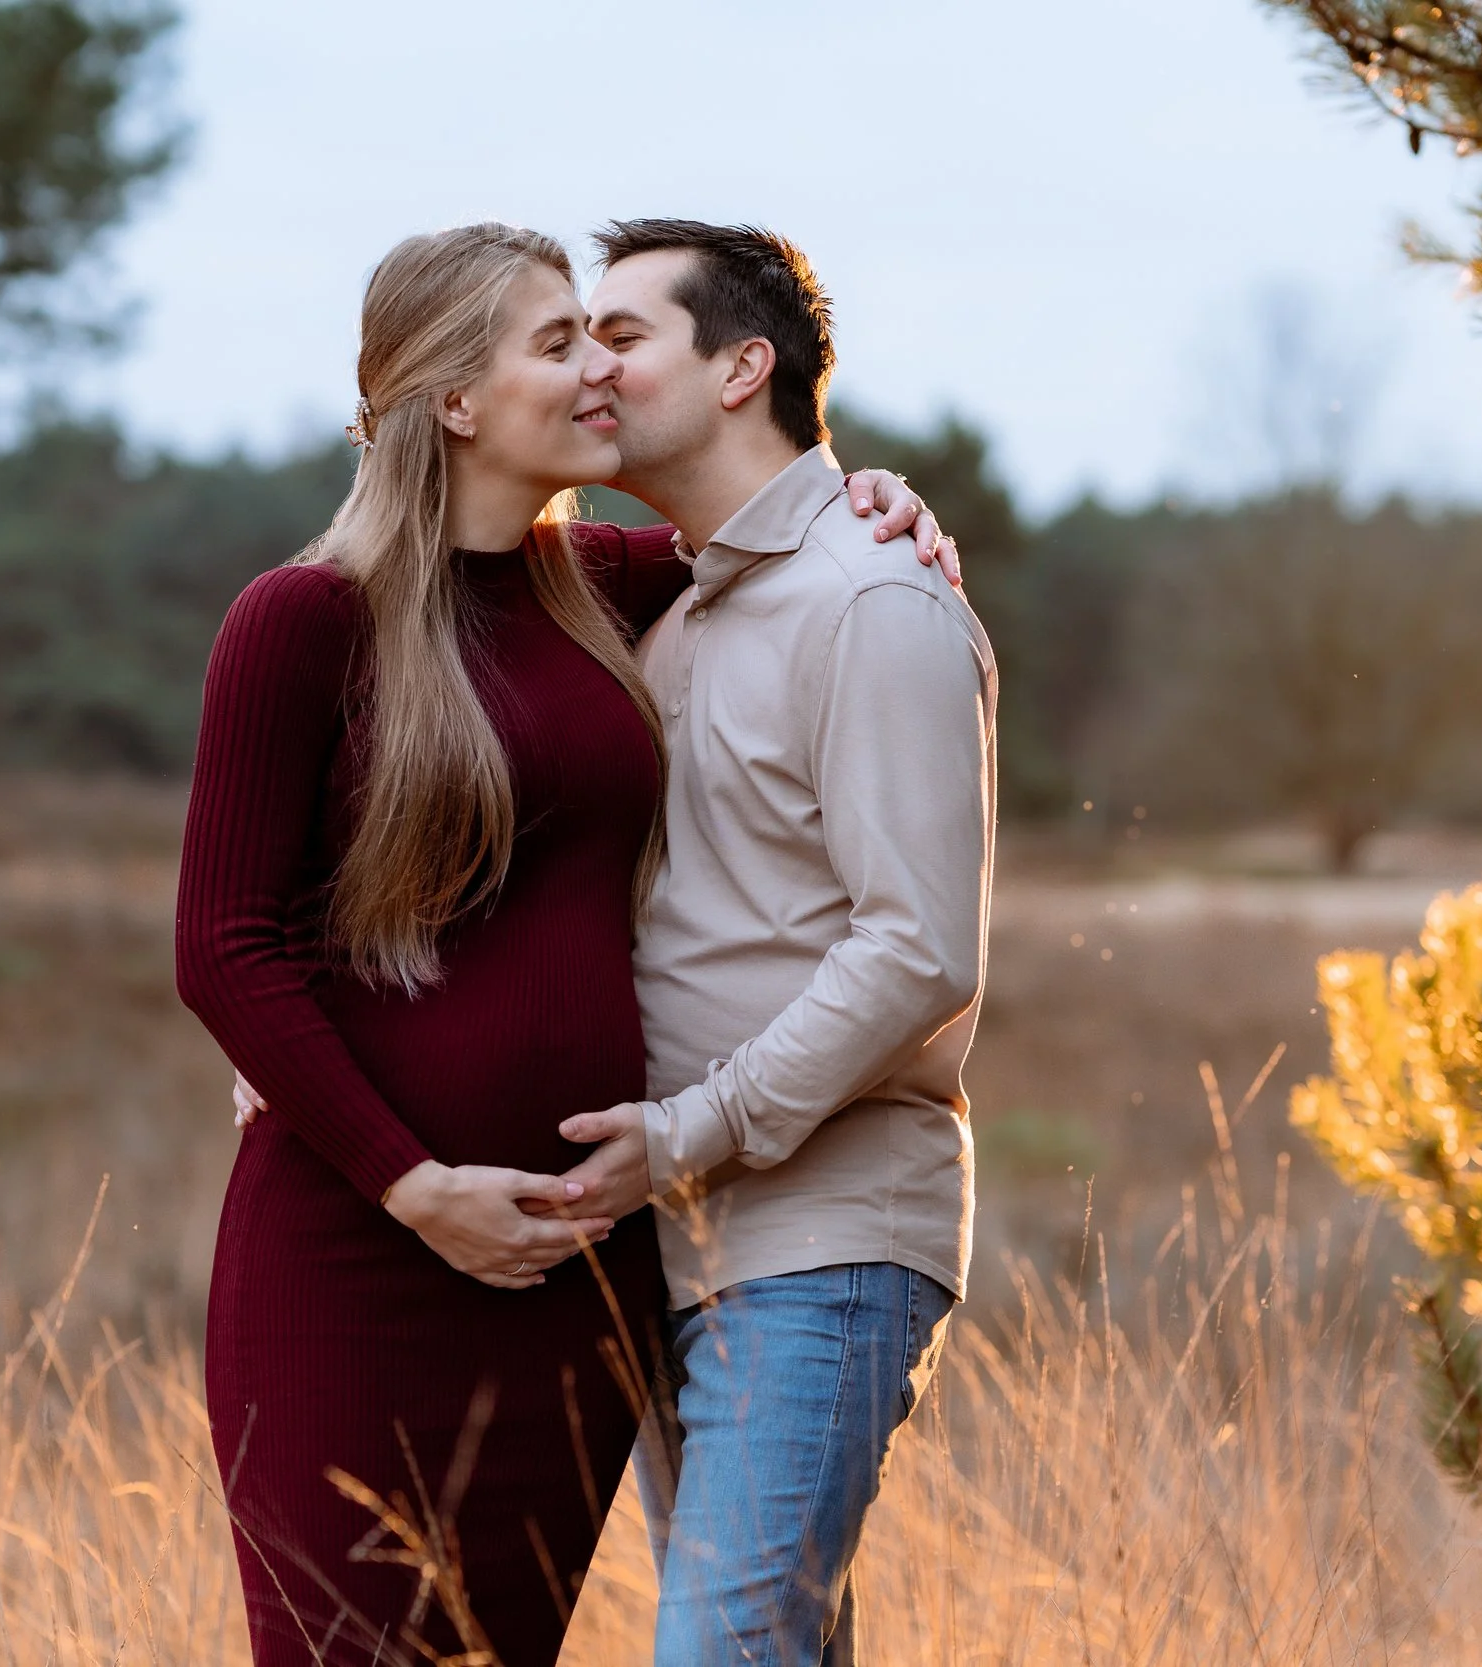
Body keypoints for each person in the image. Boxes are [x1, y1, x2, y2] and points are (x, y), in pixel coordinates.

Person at [177, 222, 954, 1667]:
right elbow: (222, 949)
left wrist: (879, 496)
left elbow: (780, 528)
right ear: (455, 398)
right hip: (360, 1256)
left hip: (572, 1281)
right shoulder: (302, 621)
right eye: (558, 343)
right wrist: (413, 1185)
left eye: (606, 339)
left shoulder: (599, 585)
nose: (595, 373)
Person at [553, 220, 996, 1665]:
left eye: (623, 334)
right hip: (675, 1243)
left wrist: (690, 1129)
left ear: (744, 365)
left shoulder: (872, 597)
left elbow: (920, 948)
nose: (588, 367)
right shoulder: (678, 613)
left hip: (820, 1242)